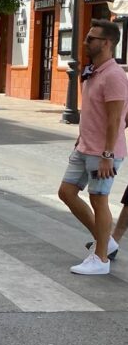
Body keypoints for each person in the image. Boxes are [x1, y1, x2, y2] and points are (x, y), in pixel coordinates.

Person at [58, 19, 128, 275]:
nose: (86, 42)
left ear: (107, 43)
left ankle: (101, 260)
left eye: (91, 38)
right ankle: (105, 241)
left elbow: (115, 119)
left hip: (103, 153)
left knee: (99, 200)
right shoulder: (93, 71)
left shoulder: (114, 76)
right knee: (66, 192)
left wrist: (109, 155)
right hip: (85, 147)